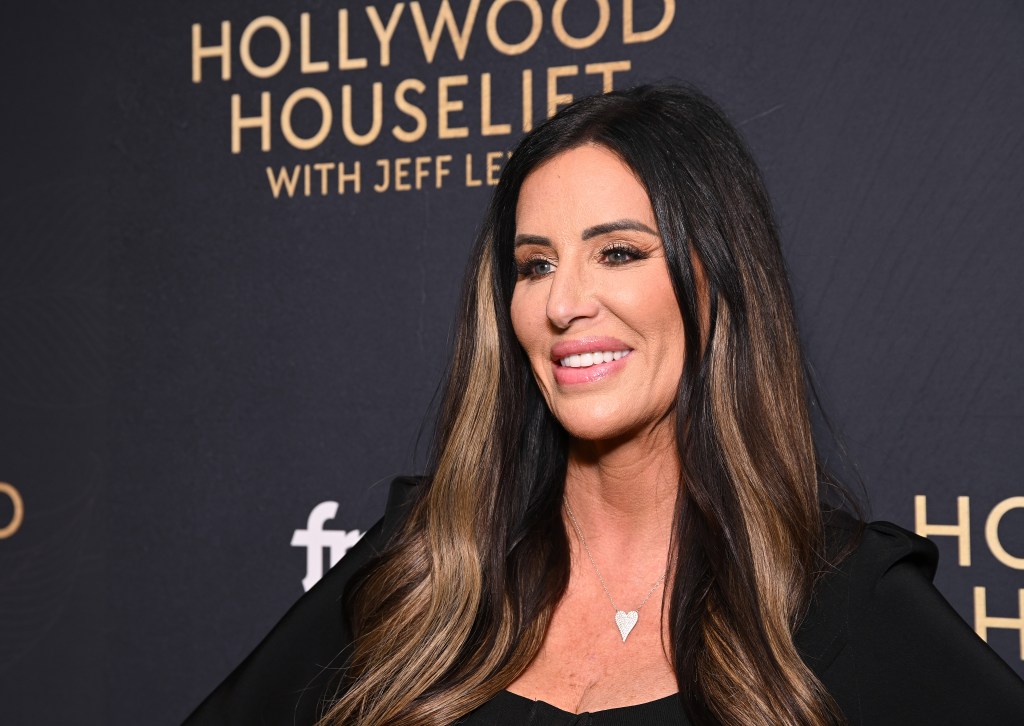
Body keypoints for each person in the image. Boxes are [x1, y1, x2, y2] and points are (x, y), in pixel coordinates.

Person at [184, 84, 1024, 726]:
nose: (563, 304)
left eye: (618, 251)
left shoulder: (843, 597)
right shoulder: (427, 564)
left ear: (718, 282)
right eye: (536, 264)